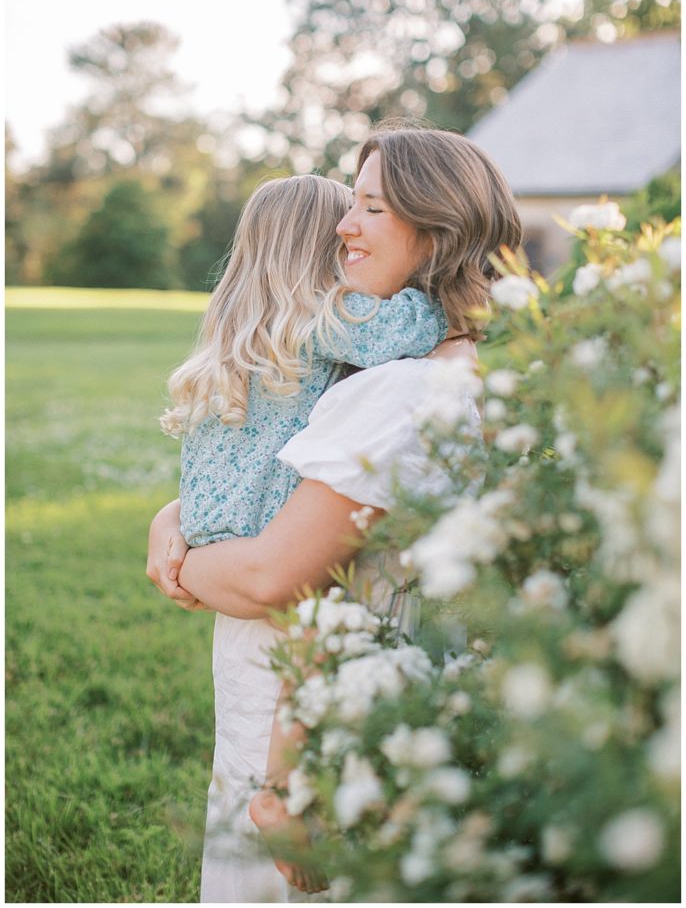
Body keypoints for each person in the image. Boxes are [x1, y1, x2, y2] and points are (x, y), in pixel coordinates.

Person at [147, 124, 523, 902]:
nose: (344, 228)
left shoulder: (398, 391)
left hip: (304, 722)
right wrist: (177, 511)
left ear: (437, 227)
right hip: (346, 700)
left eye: (371, 208)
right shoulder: (445, 370)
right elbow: (287, 485)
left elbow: (266, 580)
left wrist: (180, 558)